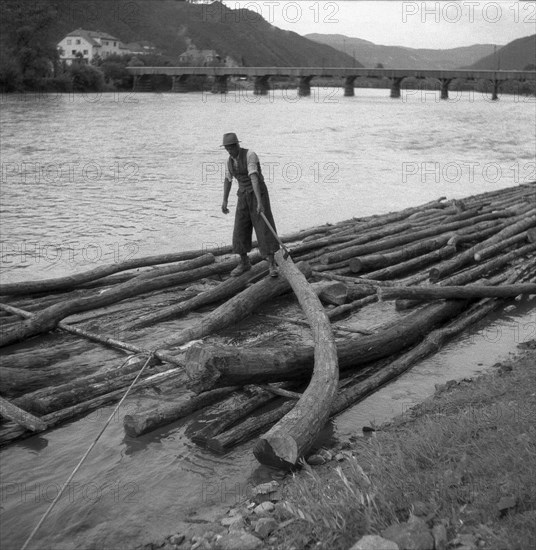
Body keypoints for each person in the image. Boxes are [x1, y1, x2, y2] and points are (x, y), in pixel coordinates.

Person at [220, 132, 280, 277]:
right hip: (243, 195)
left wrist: (259, 202)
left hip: (258, 193)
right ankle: (244, 262)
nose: (229, 151)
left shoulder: (250, 155)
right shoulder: (229, 161)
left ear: (237, 145)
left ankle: (272, 264)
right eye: (227, 149)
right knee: (240, 227)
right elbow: (228, 180)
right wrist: (225, 200)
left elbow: (254, 178)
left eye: (231, 148)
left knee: (263, 228)